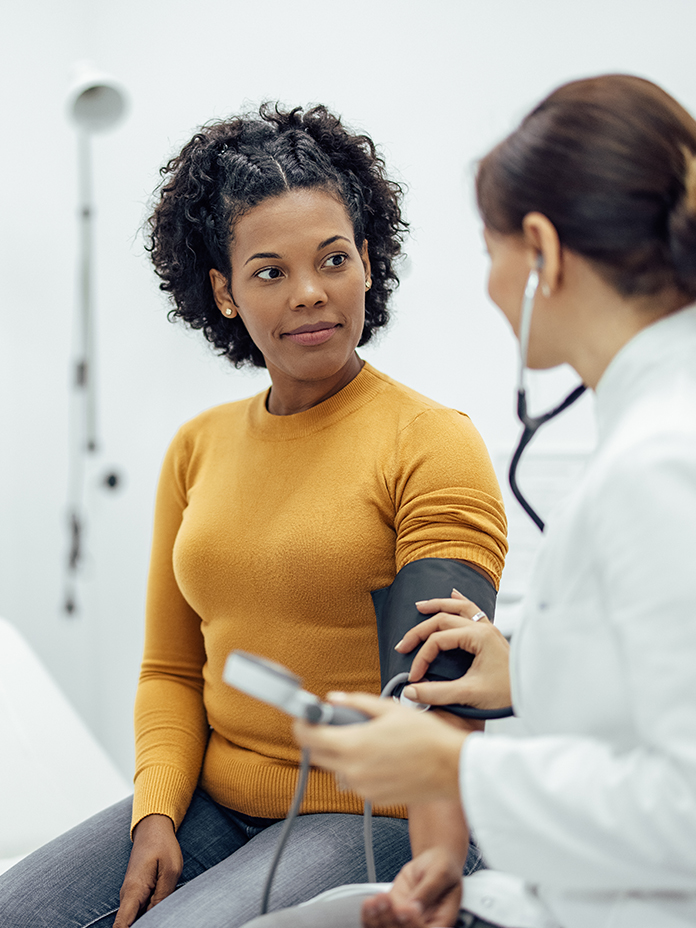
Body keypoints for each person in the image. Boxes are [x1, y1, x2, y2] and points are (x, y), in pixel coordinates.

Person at [0, 105, 507, 928]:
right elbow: (170, 669)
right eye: (269, 271)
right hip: (215, 801)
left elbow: (440, 700)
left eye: (333, 259)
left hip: (369, 813)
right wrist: (155, 811)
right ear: (223, 292)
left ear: (368, 263)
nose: (310, 294)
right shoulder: (197, 447)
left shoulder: (431, 443)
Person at [240, 74, 696, 928]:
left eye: (492, 255)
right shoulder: (661, 428)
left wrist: (452, 773)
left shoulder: (662, 461)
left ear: (542, 252)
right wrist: (528, 668)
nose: (490, 287)